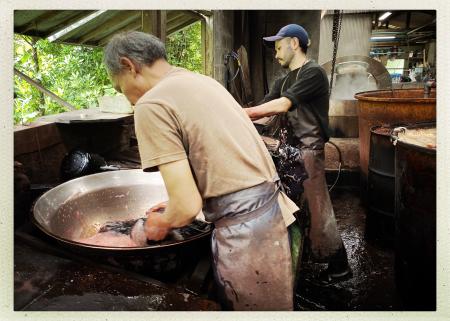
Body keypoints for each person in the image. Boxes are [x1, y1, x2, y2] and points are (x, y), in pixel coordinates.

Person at [103, 31, 300, 310]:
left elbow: (185, 206)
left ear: (129, 66)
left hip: (247, 236)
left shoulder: (150, 104)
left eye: (118, 87)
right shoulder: (201, 81)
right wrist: (180, 204)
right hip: (274, 214)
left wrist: (160, 222)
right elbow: (220, 161)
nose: (126, 99)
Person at [245, 24, 352, 283]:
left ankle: (340, 266)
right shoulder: (282, 80)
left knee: (318, 209)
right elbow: (264, 109)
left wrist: (241, 114)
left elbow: (282, 105)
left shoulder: (313, 73)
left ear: (294, 43)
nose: (275, 53)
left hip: (308, 151)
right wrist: (238, 116)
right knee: (292, 206)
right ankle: (300, 255)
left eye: (278, 47)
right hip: (288, 151)